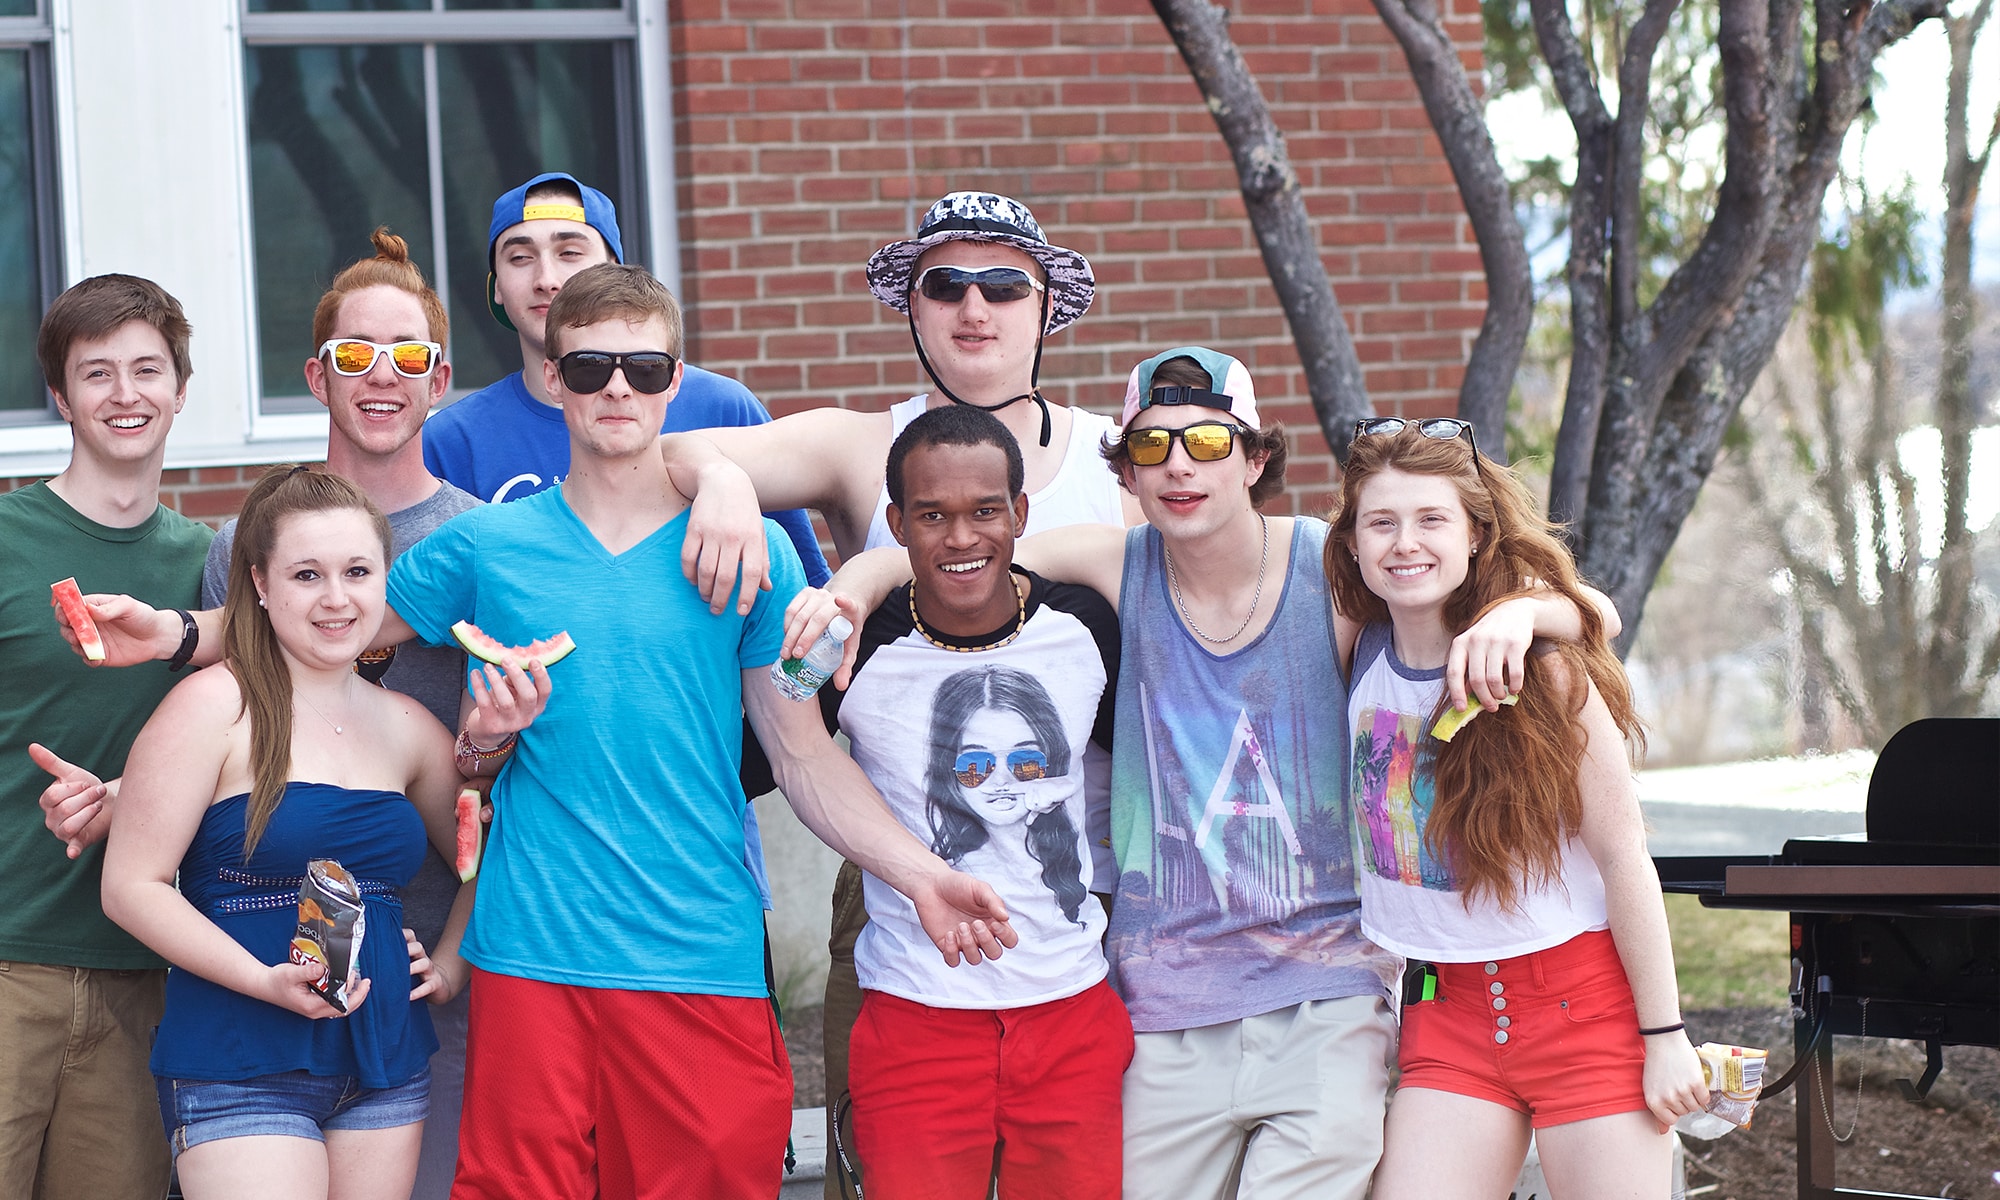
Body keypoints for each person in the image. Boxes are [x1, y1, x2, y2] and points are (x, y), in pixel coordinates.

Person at [51, 262, 1020, 1199]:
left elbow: (804, 755)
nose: (615, 389)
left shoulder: (744, 546)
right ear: (551, 377)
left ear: (673, 383)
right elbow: (327, 623)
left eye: (642, 369)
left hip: (699, 954)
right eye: (589, 366)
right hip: (529, 960)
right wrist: (178, 633)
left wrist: (920, 872)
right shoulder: (480, 547)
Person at [806, 345, 1619, 1199]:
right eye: (1152, 447)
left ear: (1255, 457)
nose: (1180, 467)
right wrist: (858, 581)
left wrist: (1528, 610)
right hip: (1165, 999)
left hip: (1325, 985)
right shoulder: (1119, 564)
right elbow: (964, 539)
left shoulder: (1330, 569)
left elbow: (1592, 609)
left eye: (1207, 441)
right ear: (1125, 469)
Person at [660, 193, 1137, 1193]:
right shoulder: (856, 442)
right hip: (893, 874)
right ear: (909, 306)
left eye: (1003, 283)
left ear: (1047, 305)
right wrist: (728, 491)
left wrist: (878, 573)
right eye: (944, 283)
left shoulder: (1117, 461)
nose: (974, 305)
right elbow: (681, 451)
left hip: (1082, 892)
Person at [35, 230, 487, 1200]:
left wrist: (450, 957)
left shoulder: (478, 543)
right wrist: (138, 783)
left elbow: (491, 830)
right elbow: (229, 714)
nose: (334, 597)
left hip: (397, 1003)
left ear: (440, 377)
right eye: (356, 355)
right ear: (317, 377)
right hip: (240, 995)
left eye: (406, 357)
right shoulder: (244, 542)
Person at [98, 465, 545, 1200]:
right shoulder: (209, 706)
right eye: (307, 575)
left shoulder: (408, 727)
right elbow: (131, 888)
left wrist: (451, 961)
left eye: (358, 572)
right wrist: (262, 980)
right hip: (238, 1052)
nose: (337, 599)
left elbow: (484, 852)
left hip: (383, 1058)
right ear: (261, 584)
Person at [1325, 418, 1706, 1198]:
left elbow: (1622, 852)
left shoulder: (1547, 672)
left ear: (1475, 536)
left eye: (1432, 519)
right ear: (1355, 545)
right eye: (1381, 522)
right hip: (1446, 1013)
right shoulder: (1353, 645)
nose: (1405, 543)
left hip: (1584, 1006)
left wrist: (1664, 1034)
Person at [807, 406, 1128, 1199]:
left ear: (1020, 514)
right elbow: (776, 751)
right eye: (932, 515)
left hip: (1071, 1014)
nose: (961, 537)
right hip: (916, 1014)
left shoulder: (1084, 625)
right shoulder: (858, 644)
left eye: (986, 511)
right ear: (895, 524)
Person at [0, 275, 213, 1200]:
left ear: (180, 386)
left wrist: (137, 797)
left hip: (143, 974)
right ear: (61, 397)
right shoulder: (7, 538)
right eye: (97, 374)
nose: (125, 394)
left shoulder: (211, 566)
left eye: (146, 369)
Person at [419, 171, 828, 586]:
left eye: (570, 252)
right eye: (520, 258)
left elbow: (802, 591)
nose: (547, 279)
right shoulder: (451, 439)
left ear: (612, 268)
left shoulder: (724, 407)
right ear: (496, 288)